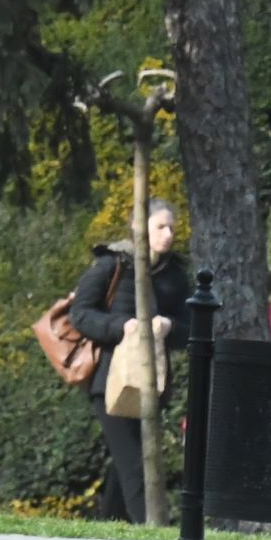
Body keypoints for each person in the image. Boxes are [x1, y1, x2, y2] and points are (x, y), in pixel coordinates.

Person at [66, 202, 191, 523]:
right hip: (109, 380)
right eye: (161, 226)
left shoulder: (174, 274)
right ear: (139, 226)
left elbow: (191, 328)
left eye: (172, 228)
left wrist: (169, 326)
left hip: (153, 381)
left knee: (126, 462)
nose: (168, 235)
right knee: (136, 459)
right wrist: (121, 326)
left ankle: (110, 525)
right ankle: (150, 529)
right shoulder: (113, 264)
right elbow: (80, 314)